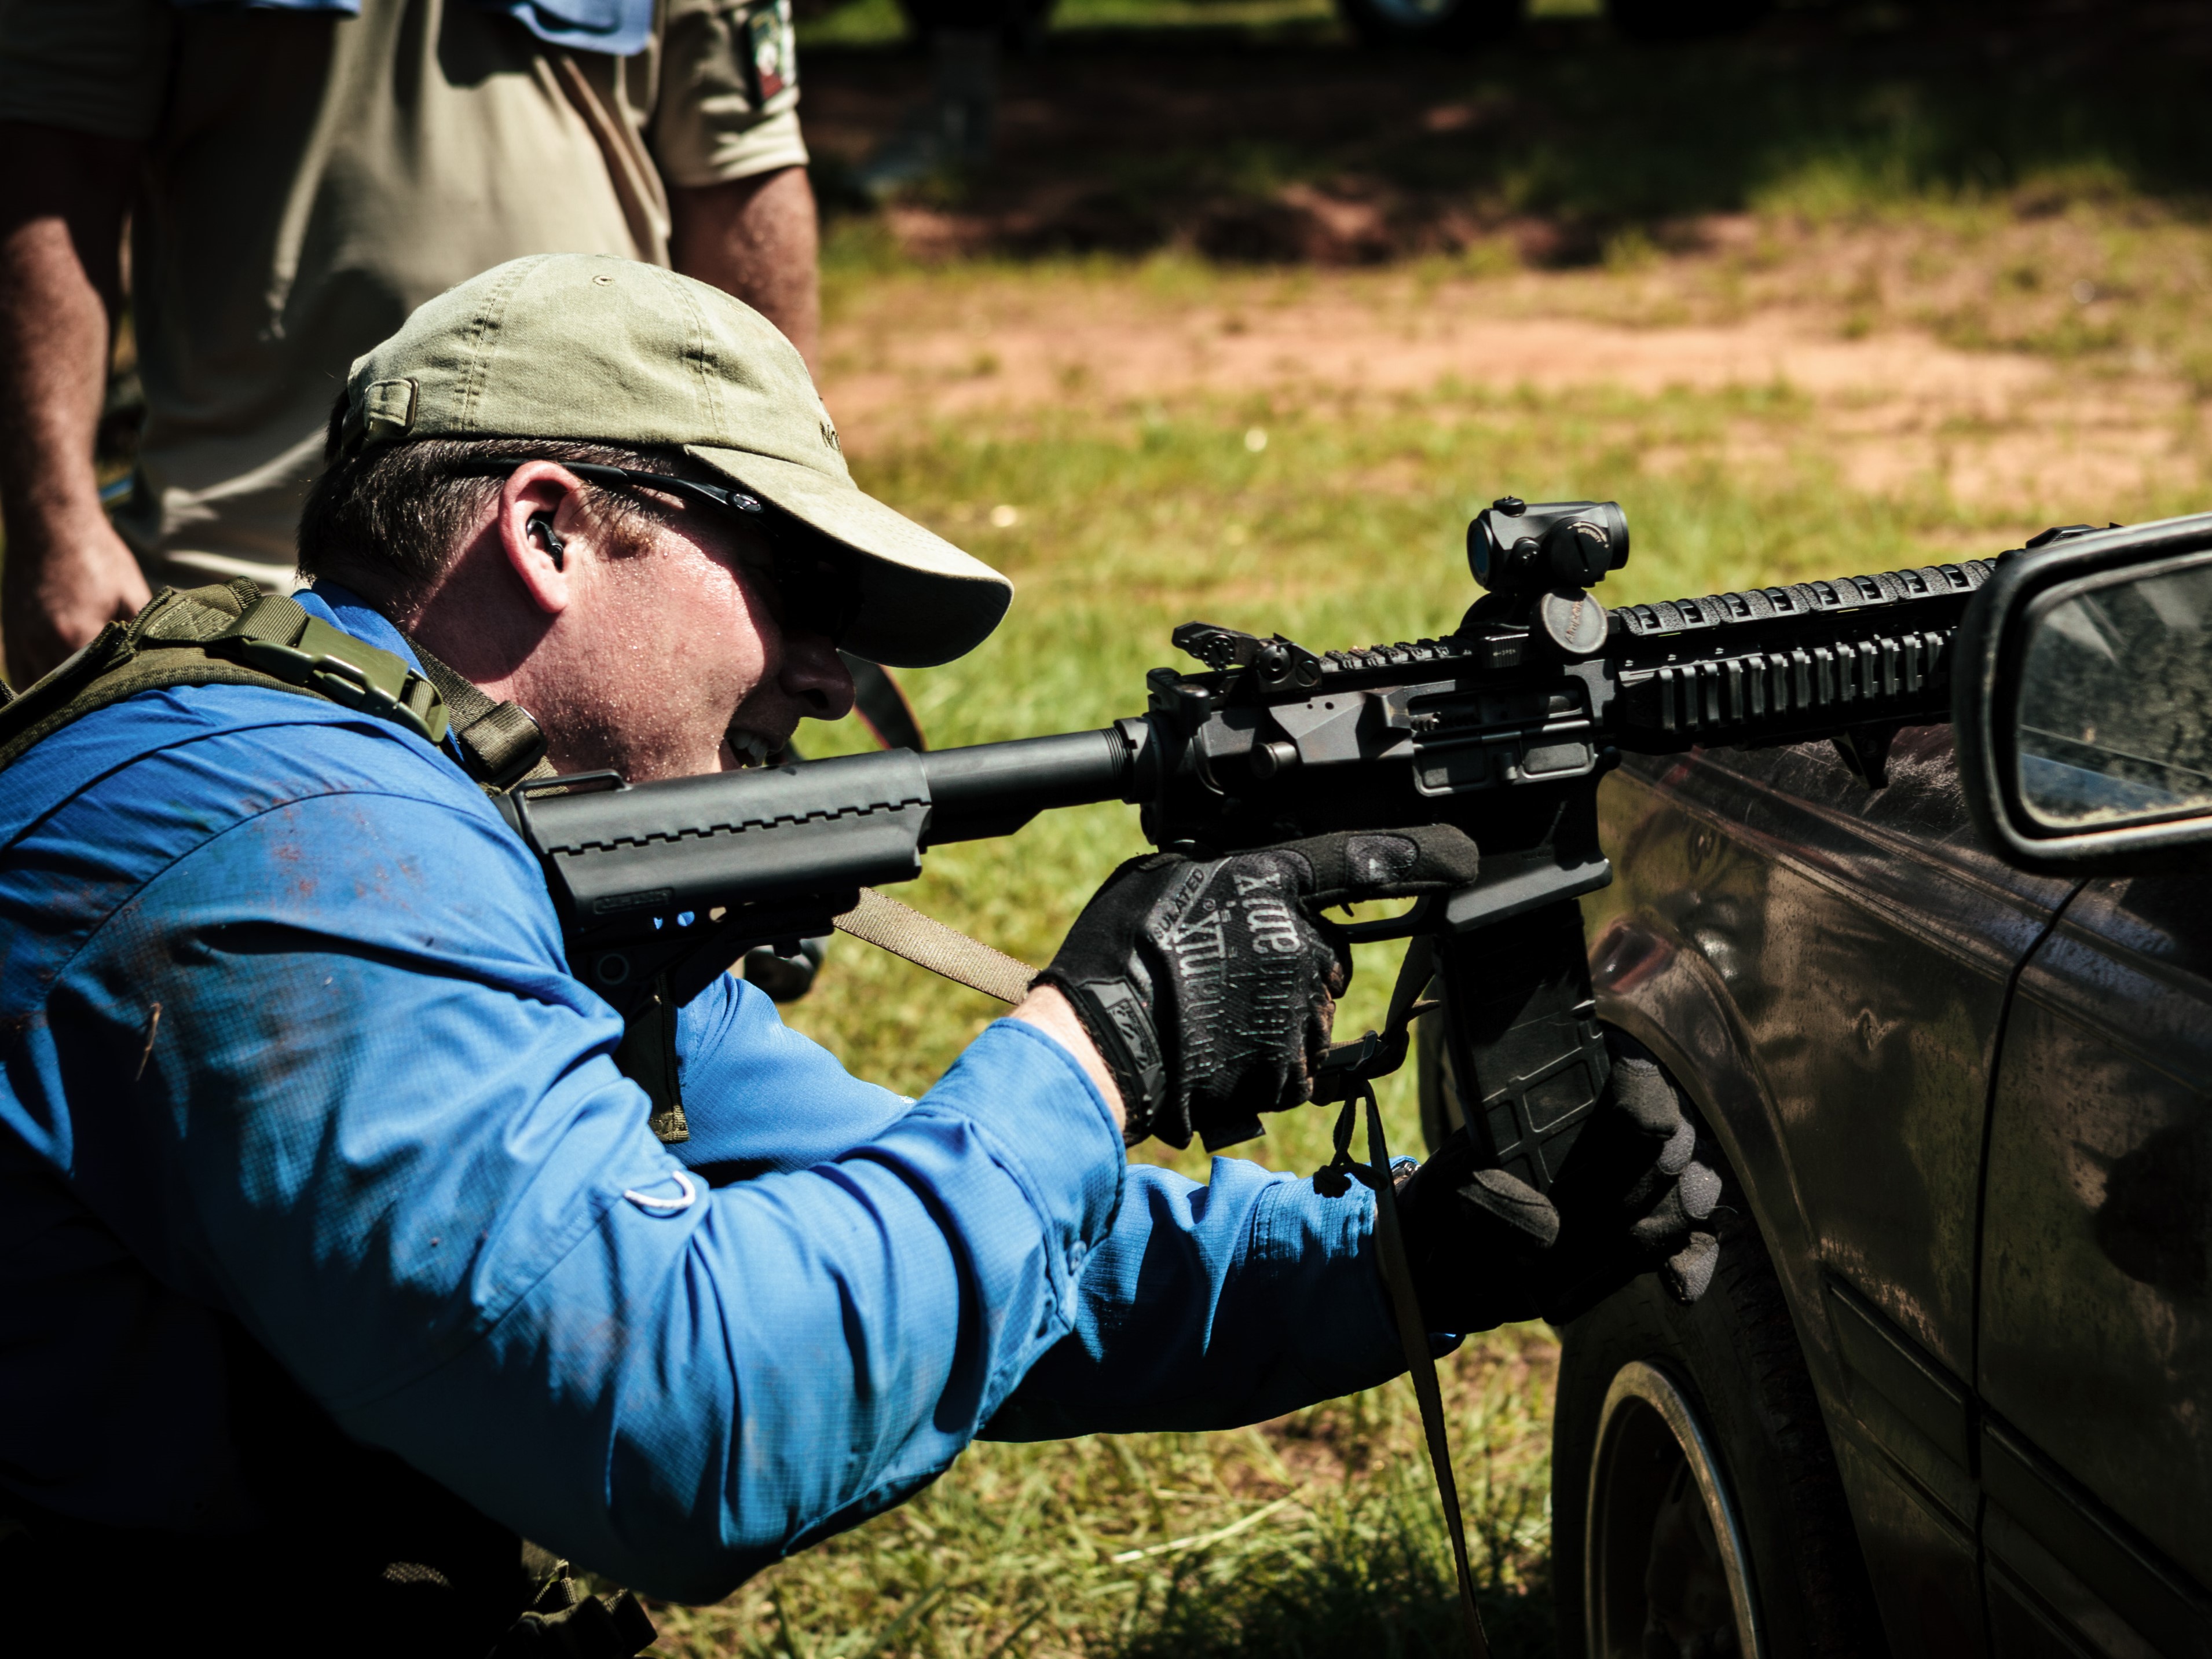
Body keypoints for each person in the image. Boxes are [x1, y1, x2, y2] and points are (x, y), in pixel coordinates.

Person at [0, 255, 1721, 1657]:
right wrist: (1095, 1046)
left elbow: (911, 1231)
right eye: (791, 577)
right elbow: (680, 1424)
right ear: (547, 530)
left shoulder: (440, 825)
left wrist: (1406, 1259)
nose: (829, 674)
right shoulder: (301, 859)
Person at [0, 0, 819, 688]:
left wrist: (785, 546)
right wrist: (54, 526)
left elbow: (740, 178)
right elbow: (51, 160)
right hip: (236, 580)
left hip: (608, 565)